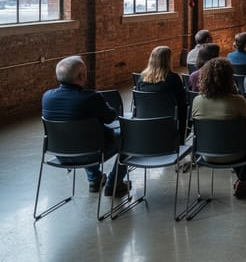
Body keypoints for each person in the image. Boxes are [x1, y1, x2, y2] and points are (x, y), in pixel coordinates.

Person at [41, 56, 129, 197]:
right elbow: (110, 117)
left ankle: (95, 180)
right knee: (128, 139)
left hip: (61, 154)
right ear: (82, 76)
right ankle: (114, 183)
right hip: (91, 153)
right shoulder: (91, 98)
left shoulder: (47, 97)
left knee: (84, 137)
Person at [191, 58, 246, 198]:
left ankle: (242, 183)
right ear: (230, 78)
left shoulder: (197, 101)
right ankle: (242, 181)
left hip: (206, 153)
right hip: (235, 153)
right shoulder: (238, 101)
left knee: (236, 141)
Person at [137, 45, 188, 142]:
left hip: (147, 121)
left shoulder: (141, 78)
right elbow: (182, 104)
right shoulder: (173, 78)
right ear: (168, 60)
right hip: (168, 123)